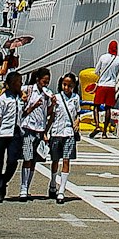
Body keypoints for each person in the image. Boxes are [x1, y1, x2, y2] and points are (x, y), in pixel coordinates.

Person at [0, 70, 23, 202]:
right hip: (3, 133)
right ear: (11, 84)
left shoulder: (21, 98)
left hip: (16, 133)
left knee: (13, 161)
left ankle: (3, 181)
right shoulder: (3, 99)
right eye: (18, 83)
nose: (20, 85)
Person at [18, 68, 53, 200]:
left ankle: (28, 186)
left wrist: (52, 104)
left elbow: (48, 113)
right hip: (28, 127)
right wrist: (32, 104)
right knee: (27, 158)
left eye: (48, 82)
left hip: (40, 129)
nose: (46, 84)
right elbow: (23, 109)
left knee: (34, 160)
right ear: (38, 79)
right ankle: (23, 186)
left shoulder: (47, 94)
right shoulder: (28, 89)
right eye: (44, 81)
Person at [47, 73, 82, 204]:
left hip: (69, 133)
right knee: (55, 160)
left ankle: (61, 190)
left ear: (74, 86)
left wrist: (78, 121)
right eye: (64, 85)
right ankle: (52, 183)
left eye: (69, 85)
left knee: (66, 160)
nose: (66, 88)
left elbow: (78, 113)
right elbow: (50, 114)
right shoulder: (56, 97)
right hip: (56, 131)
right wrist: (45, 132)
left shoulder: (75, 98)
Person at [91, 41, 119, 138]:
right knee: (108, 108)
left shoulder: (103, 57)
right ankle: (105, 132)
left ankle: (97, 126)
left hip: (102, 85)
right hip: (111, 86)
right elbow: (117, 72)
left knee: (96, 106)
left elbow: (96, 71)